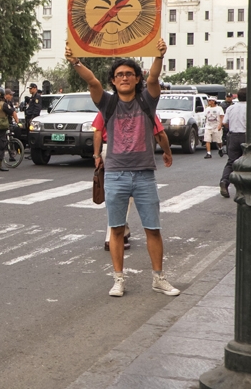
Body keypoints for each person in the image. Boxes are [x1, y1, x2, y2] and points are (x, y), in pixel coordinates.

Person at [65, 40, 180, 297]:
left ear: (137, 78)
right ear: (113, 81)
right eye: (119, 75)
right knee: (116, 229)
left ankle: (159, 278)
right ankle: (118, 279)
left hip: (144, 175)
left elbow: (154, 78)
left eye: (129, 74)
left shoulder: (147, 101)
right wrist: (75, 62)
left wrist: (159, 56)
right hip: (115, 174)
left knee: (153, 229)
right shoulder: (107, 104)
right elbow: (92, 81)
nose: (124, 78)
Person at [93, 109, 173, 251]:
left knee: (118, 194)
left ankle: (122, 231)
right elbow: (159, 133)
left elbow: (97, 131)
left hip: (108, 149)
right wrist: (167, 152)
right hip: (130, 152)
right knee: (123, 196)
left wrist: (97, 155)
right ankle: (111, 237)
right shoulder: (144, 107)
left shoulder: (108, 105)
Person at [219, 88, 248, 198]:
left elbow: (225, 122)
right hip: (246, 136)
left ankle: (224, 181)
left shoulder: (231, 108)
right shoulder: (250, 108)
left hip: (233, 135)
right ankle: (244, 187)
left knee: (231, 161)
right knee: (247, 162)